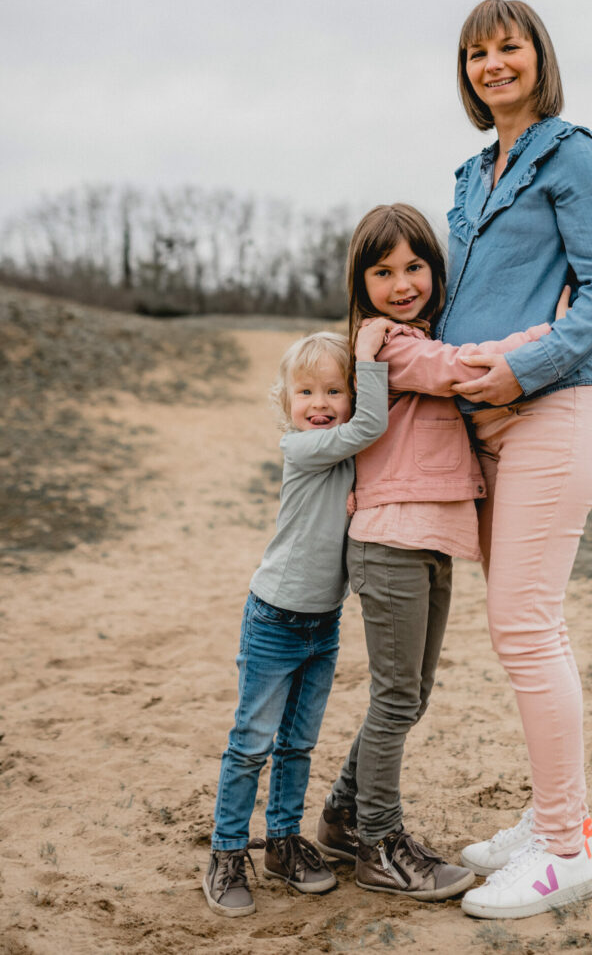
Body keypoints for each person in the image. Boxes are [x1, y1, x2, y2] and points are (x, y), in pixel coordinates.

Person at [440, 0, 592, 921]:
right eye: (477, 53)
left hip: (558, 409)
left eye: (508, 46)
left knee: (525, 627)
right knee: (523, 628)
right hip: (486, 427)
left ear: (538, 55)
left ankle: (564, 853)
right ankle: (558, 819)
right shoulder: (473, 174)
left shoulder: (575, 154)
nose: (492, 64)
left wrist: (524, 366)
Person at [314, 203, 557, 902]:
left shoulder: (418, 333)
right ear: (361, 284)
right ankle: (379, 843)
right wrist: (556, 331)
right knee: (396, 701)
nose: (401, 282)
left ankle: (341, 814)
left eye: (415, 266)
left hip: (428, 540)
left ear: (435, 270)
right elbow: (455, 370)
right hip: (391, 539)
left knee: (410, 697)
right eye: (382, 271)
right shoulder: (386, 344)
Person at [202, 325, 390, 918]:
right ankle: (228, 851)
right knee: (250, 745)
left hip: (323, 623)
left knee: (299, 744)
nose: (319, 404)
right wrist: (368, 360)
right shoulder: (301, 448)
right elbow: (371, 427)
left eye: (335, 391)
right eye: (305, 392)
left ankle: (283, 843)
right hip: (275, 620)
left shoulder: (346, 456)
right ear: (286, 403)